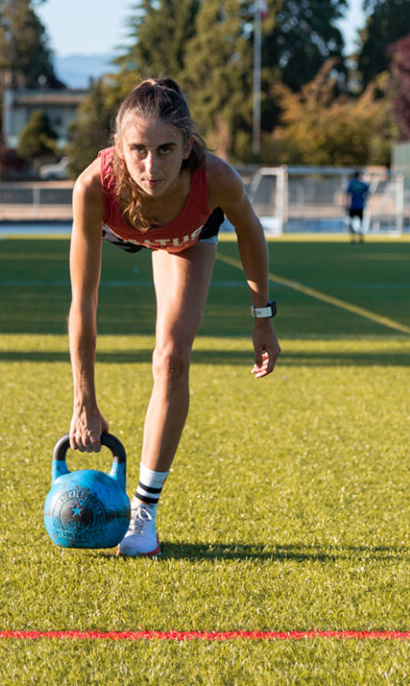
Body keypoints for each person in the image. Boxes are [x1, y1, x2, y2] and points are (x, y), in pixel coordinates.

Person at [68, 78, 281, 557]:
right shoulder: (93, 186)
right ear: (117, 147)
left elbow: (251, 233)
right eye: (138, 150)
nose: (151, 166)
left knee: (171, 357)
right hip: (120, 227)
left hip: (187, 236)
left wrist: (262, 317)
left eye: (166, 150)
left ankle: (144, 512)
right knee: (139, 338)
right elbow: (84, 300)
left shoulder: (216, 179)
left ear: (187, 146)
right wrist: (85, 401)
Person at [345, 170, 369, 242]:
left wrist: (346, 204)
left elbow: (348, 195)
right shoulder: (363, 184)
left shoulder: (351, 184)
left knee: (351, 222)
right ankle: (361, 237)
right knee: (361, 222)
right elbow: (367, 194)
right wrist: (365, 202)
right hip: (360, 206)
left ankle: (352, 238)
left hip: (352, 206)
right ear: (359, 176)